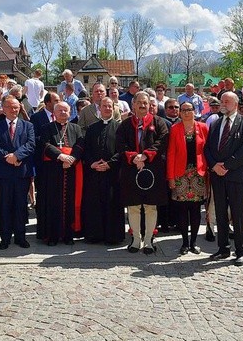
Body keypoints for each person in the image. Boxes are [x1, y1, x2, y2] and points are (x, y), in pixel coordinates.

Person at [117, 91, 170, 255]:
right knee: (133, 207)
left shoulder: (158, 122)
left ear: (150, 105)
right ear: (133, 104)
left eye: (145, 103)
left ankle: (148, 241)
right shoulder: (125, 125)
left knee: (150, 207)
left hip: (153, 170)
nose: (142, 105)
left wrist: (146, 155)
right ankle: (136, 241)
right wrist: (134, 157)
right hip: (131, 169)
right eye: (139, 102)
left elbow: (163, 141)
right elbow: (120, 144)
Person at [205, 92, 243, 265]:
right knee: (220, 212)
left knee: (238, 213)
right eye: (222, 101)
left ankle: (241, 250)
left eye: (227, 101)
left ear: (236, 103)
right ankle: (223, 248)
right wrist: (214, 165)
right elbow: (208, 148)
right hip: (217, 175)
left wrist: (226, 166)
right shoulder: (216, 122)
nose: (223, 104)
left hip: (234, 175)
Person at [0, 96, 35, 250]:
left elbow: (30, 144)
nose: (14, 110)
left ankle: (20, 237)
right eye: (10, 107)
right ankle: (5, 238)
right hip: (3, 173)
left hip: (21, 172)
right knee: (4, 206)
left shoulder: (27, 125)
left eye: (16, 107)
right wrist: (7, 157)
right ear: (3, 108)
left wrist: (17, 156)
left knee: (21, 206)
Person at [36, 101, 84, 245]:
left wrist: (72, 159)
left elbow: (80, 145)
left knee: (69, 202)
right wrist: (60, 156)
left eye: (66, 111)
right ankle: (53, 236)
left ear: (70, 113)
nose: (63, 113)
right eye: (60, 111)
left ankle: (68, 235)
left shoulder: (76, 128)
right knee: (53, 202)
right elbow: (44, 145)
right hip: (53, 171)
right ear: (54, 113)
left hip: (71, 170)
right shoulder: (47, 128)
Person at [166, 99, 208, 255]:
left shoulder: (203, 127)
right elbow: (170, 153)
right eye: (183, 110)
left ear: (194, 111)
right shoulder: (175, 128)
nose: (186, 112)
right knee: (182, 210)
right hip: (180, 174)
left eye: (189, 109)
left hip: (198, 174)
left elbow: (207, 151)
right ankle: (184, 242)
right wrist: (170, 177)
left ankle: (194, 242)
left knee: (196, 210)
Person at [81, 97, 124, 245]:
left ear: (114, 108)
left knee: (112, 204)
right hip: (94, 173)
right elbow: (86, 149)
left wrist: (110, 164)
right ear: (99, 108)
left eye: (110, 106)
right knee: (95, 204)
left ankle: (113, 236)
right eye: (104, 106)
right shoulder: (92, 128)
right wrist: (92, 163)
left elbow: (122, 150)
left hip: (112, 173)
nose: (107, 109)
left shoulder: (120, 127)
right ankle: (95, 235)